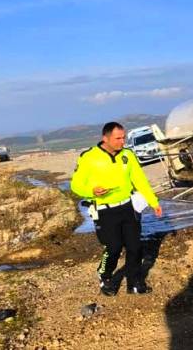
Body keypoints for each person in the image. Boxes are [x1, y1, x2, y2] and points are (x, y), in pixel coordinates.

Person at [71, 121, 163, 295]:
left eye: (124, 137)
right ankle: (105, 275)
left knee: (135, 246)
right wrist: (92, 191)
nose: (122, 141)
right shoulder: (89, 157)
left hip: (128, 208)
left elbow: (140, 181)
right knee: (113, 247)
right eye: (118, 138)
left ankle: (134, 283)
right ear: (105, 138)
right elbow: (76, 185)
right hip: (105, 211)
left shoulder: (128, 155)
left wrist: (153, 202)